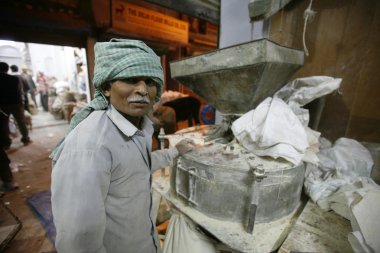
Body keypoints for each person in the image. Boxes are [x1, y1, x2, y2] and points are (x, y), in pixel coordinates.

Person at [51, 39, 195, 253]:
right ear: (107, 87)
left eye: (150, 82)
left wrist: (175, 151)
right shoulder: (91, 144)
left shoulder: (139, 125)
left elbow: (135, 165)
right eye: (130, 80)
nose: (143, 90)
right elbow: (79, 239)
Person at [0, 62, 31, 147]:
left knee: (4, 124)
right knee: (21, 122)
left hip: (3, 106)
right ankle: (25, 138)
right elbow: (20, 92)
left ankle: (6, 142)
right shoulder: (14, 79)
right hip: (16, 104)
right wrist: (22, 103)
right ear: (7, 69)